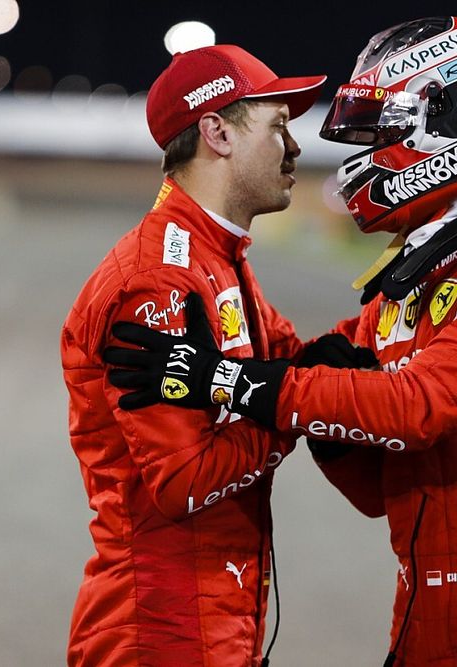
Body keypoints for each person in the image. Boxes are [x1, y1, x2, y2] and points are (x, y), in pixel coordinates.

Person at [105, 17, 457, 665]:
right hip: (425, 612)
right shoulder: (419, 278)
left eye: (385, 132)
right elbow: (375, 487)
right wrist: (316, 410)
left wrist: (228, 380)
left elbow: (413, 408)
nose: (365, 153)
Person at [60, 42, 332, 666]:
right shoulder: (158, 278)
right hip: (159, 629)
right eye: (279, 126)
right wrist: (291, 410)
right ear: (217, 132)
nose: (294, 149)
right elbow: (182, 483)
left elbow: (296, 361)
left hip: (211, 612)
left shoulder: (218, 255)